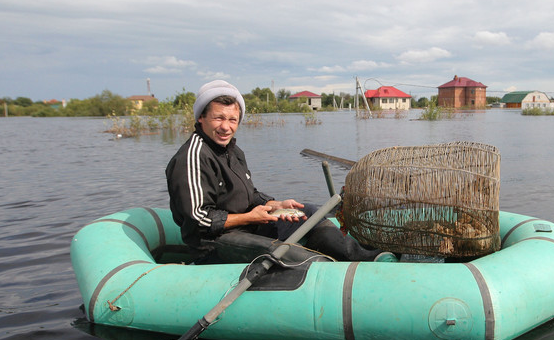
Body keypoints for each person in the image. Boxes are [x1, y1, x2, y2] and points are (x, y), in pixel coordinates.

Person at [166, 80, 394, 265]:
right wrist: (249, 217)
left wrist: (275, 204)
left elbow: (250, 194)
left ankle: (363, 255)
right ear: (201, 118)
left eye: (232, 119)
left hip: (248, 225)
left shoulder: (232, 152)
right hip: (215, 242)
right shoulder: (193, 156)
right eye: (218, 118)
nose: (226, 126)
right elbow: (198, 219)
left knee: (310, 212)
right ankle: (331, 269)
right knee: (296, 257)